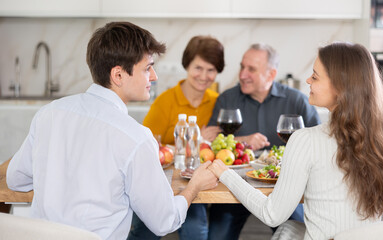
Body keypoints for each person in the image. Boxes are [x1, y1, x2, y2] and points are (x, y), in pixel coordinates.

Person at [6, 22, 218, 240]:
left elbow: (16, 179)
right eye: (147, 68)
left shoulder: (49, 113)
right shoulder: (135, 138)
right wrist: (194, 186)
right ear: (118, 75)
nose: (154, 76)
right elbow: (164, 221)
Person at [208, 42, 383, 239]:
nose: (307, 80)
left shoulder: (306, 140)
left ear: (340, 87)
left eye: (315, 76)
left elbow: (271, 215)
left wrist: (225, 173)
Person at [206, 43, 321, 240]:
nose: (242, 74)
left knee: (300, 233)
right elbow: (212, 143)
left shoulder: (298, 101)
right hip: (234, 191)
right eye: (242, 67)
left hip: (284, 191)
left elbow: (318, 143)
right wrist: (244, 141)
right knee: (218, 236)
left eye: (251, 69)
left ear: (270, 74)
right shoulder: (227, 99)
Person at [129, 35, 224, 240]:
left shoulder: (218, 102)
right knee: (144, 231)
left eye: (211, 70)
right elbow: (147, 147)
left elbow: (221, 147)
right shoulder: (165, 101)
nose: (204, 76)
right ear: (187, 66)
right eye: (198, 68)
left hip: (193, 185)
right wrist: (195, 139)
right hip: (157, 185)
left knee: (196, 231)